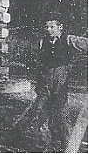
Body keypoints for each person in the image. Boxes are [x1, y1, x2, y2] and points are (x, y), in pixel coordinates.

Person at [25, 19, 88, 152]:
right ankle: (41, 142)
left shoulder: (68, 40)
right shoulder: (42, 42)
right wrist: (39, 83)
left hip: (60, 80)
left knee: (60, 113)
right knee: (39, 110)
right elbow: (38, 62)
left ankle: (65, 143)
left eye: (52, 27)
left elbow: (85, 44)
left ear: (60, 27)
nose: (48, 30)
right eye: (47, 27)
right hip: (45, 81)